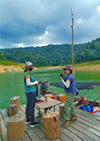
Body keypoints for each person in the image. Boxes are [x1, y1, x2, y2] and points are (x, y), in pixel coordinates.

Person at [24, 61, 39, 127]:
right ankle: (32, 122)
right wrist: (35, 82)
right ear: (27, 67)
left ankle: (28, 119)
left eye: (32, 66)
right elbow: (28, 83)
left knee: (28, 105)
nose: (32, 67)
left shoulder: (27, 73)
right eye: (30, 66)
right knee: (31, 106)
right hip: (30, 92)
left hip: (28, 92)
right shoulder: (27, 74)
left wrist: (35, 83)